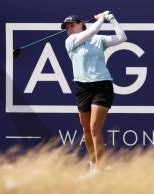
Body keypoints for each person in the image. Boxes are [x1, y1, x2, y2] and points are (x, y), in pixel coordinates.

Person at [62, 11, 127, 177]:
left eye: (72, 25)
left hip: (101, 86)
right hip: (82, 88)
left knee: (94, 128)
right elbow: (91, 31)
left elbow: (122, 37)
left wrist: (111, 18)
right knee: (86, 130)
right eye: (66, 27)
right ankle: (93, 165)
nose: (69, 29)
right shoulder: (70, 41)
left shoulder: (99, 40)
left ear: (81, 24)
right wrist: (101, 19)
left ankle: (100, 169)